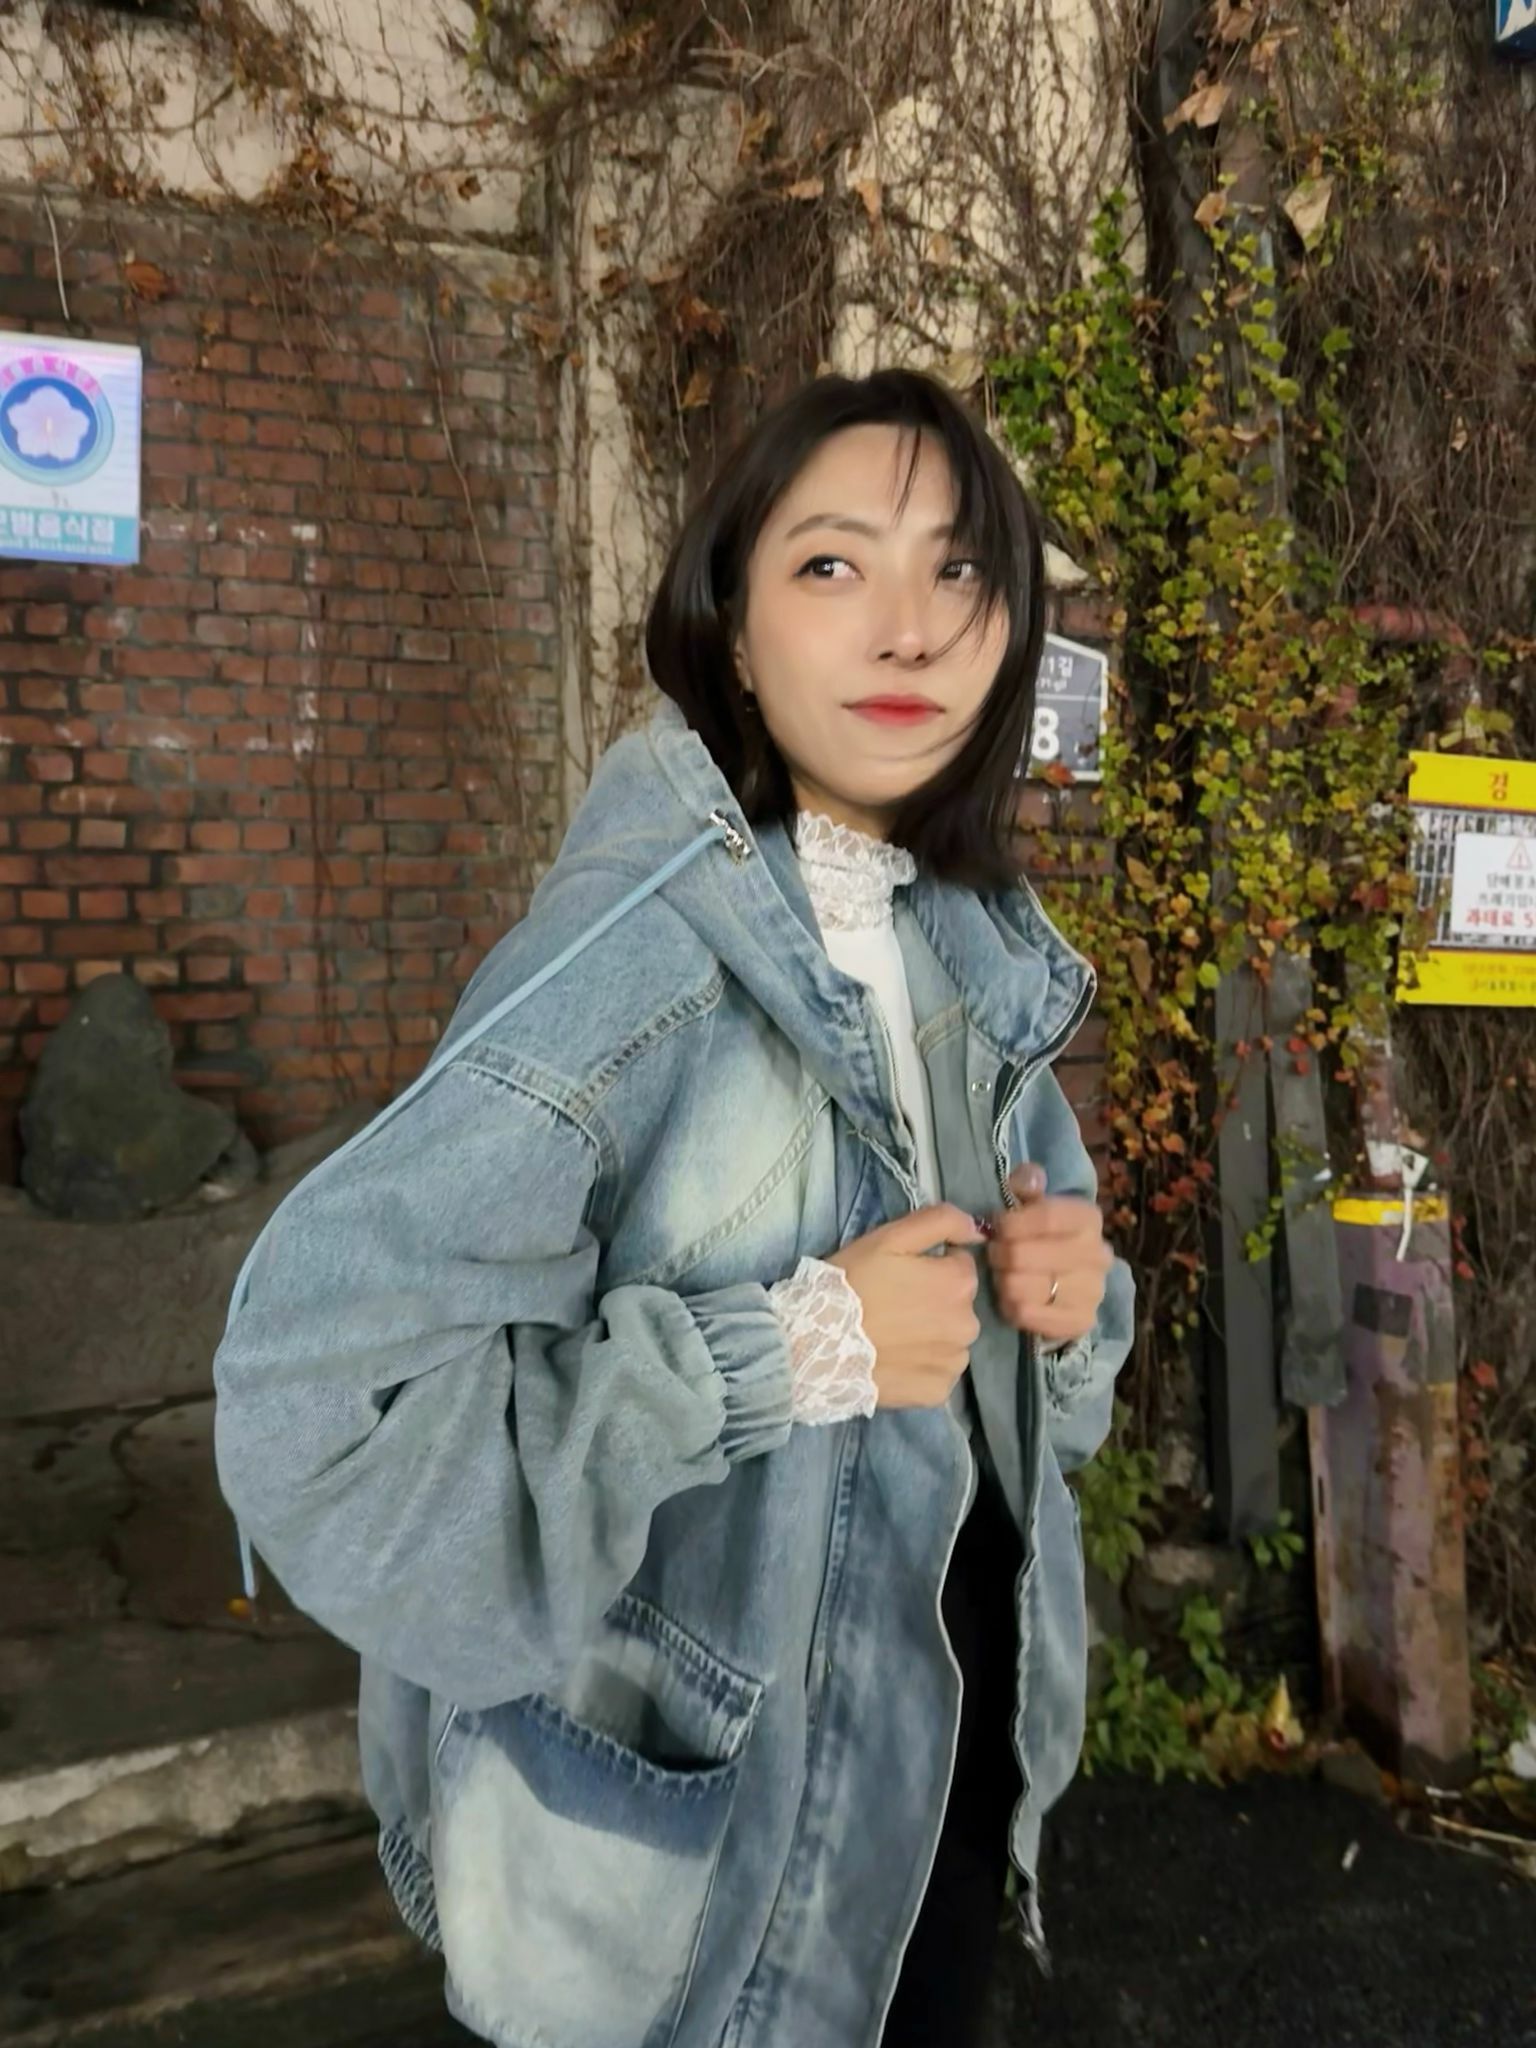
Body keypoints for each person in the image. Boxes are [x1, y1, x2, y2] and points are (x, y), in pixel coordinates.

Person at [213, 366, 1135, 2048]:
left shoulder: (968, 943)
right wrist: (792, 1350)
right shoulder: (635, 958)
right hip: (693, 1876)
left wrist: (1066, 1309)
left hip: (930, 1771)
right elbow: (316, 1419)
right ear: (735, 631)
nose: (909, 629)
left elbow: (1035, 1417)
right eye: (833, 564)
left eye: (959, 571)